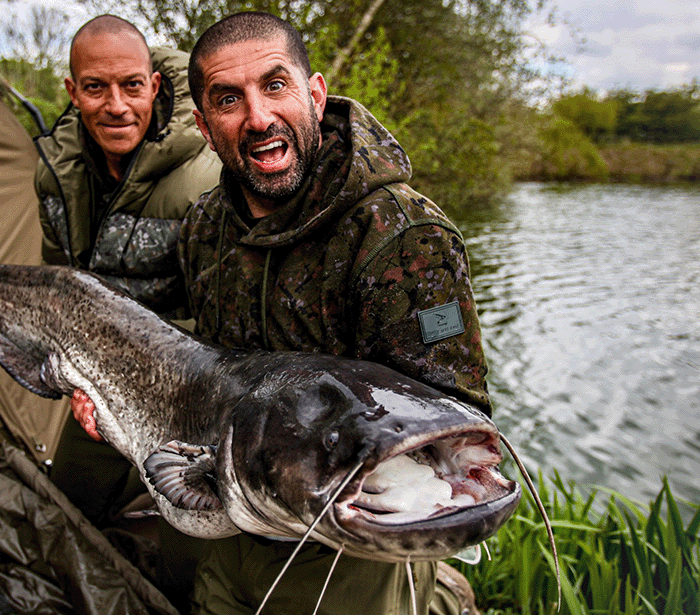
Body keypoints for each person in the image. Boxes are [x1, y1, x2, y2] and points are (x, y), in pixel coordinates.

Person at [172, 11, 491, 615]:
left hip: (357, 549)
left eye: (275, 85)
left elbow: (453, 420)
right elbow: (207, 376)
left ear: (314, 95)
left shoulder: (402, 234)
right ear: (204, 126)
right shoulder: (202, 228)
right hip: (237, 521)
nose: (259, 117)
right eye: (228, 99)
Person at [0, 15, 221, 533]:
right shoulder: (55, 174)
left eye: (131, 86)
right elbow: (57, 299)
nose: (116, 106)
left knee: (191, 552)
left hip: (192, 402)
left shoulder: (206, 178)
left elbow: (225, 325)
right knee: (66, 520)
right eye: (96, 88)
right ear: (72, 92)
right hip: (95, 396)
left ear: (154, 86)